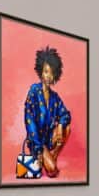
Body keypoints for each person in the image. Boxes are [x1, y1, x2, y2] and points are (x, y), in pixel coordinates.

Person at [23, 46, 71, 178]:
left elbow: (65, 114)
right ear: (40, 72)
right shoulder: (34, 91)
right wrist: (38, 150)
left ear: (55, 74)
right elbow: (29, 120)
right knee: (52, 171)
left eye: (51, 73)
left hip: (50, 138)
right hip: (37, 140)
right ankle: (48, 158)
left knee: (67, 127)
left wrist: (60, 126)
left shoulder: (55, 97)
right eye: (45, 72)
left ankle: (53, 154)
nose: (48, 76)